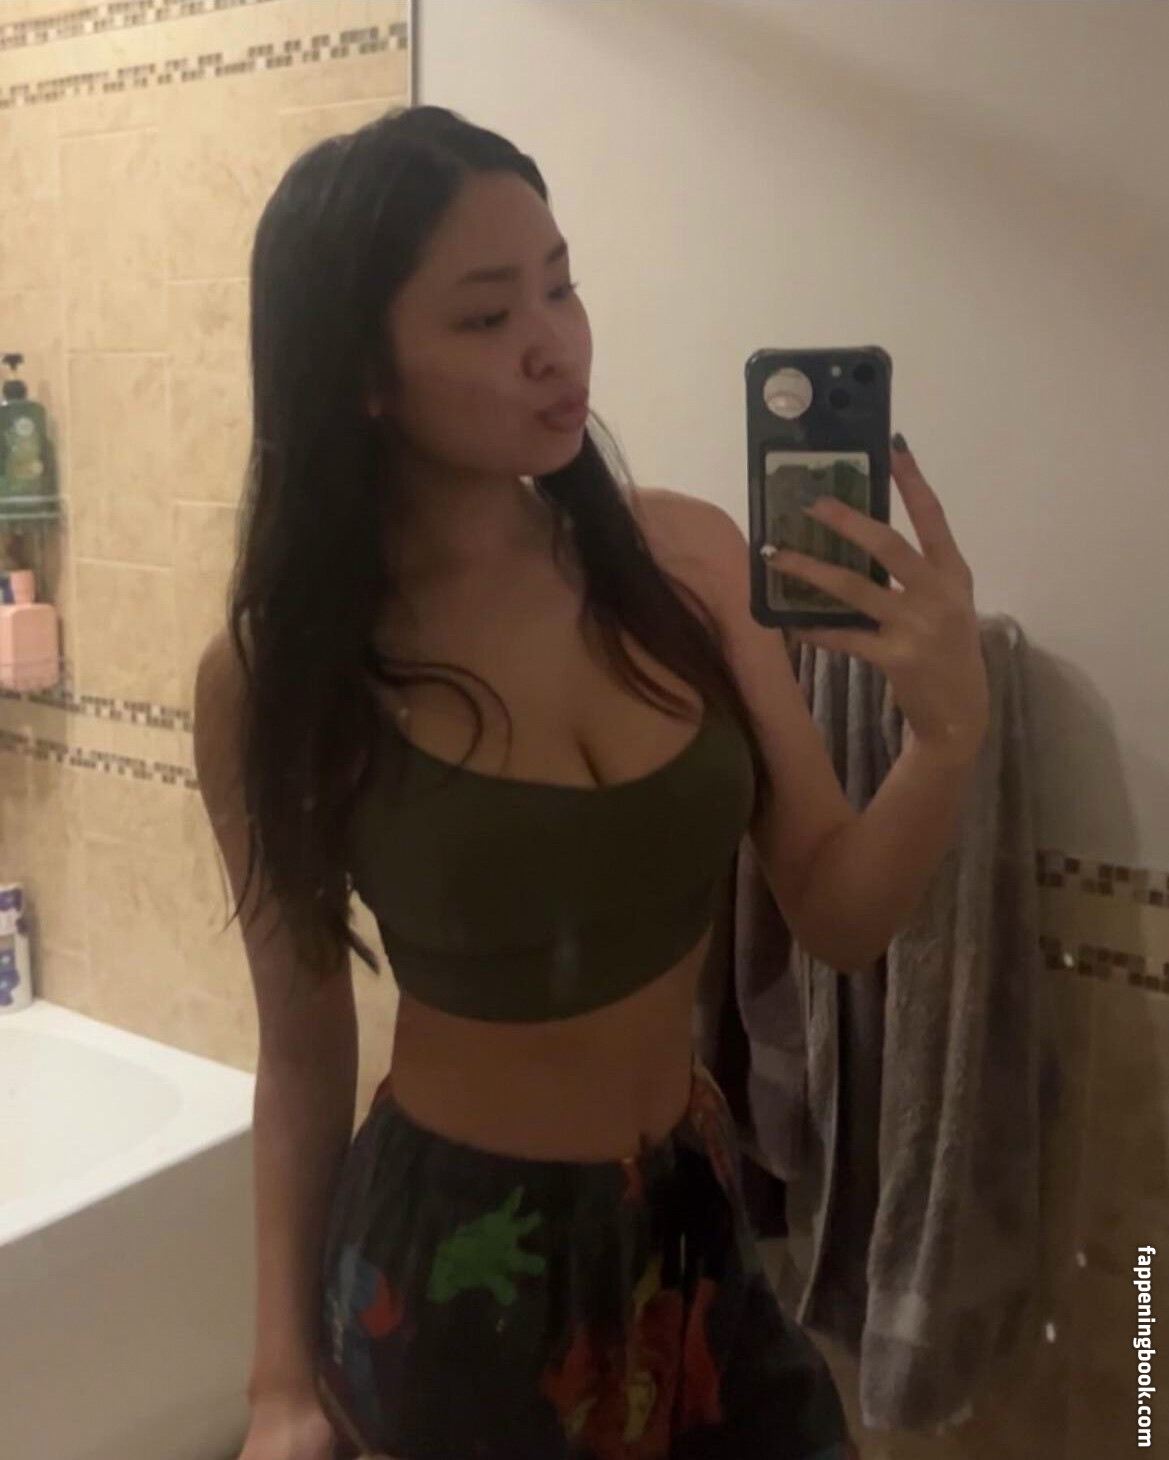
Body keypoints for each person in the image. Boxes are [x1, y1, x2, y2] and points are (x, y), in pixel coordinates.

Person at [195, 104, 988, 1460]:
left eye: (560, 286)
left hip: (691, 1213)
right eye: (486, 315)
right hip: (462, 1259)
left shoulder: (684, 561)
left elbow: (840, 910)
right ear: (362, 374)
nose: (554, 343)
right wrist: (279, 1385)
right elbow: (303, 1046)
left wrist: (947, 737)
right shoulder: (283, 676)